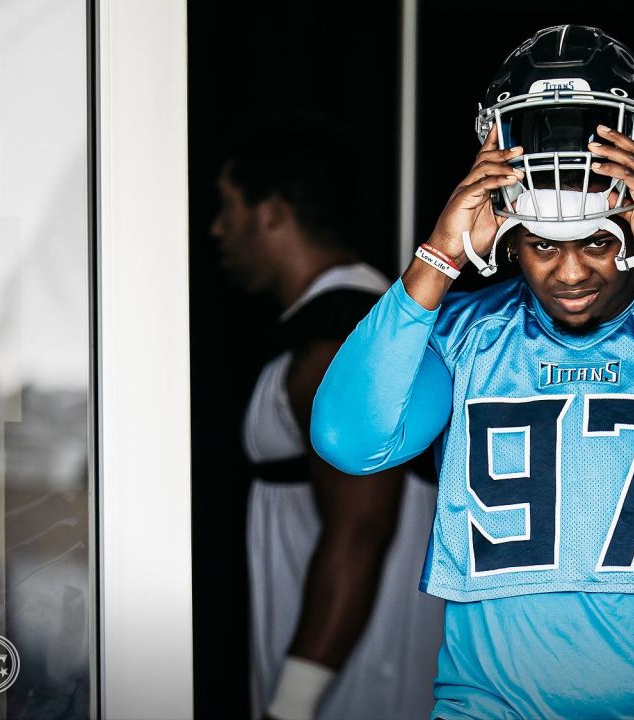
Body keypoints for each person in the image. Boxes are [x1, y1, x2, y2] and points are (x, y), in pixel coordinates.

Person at [312, 26, 634, 719]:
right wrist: (438, 257)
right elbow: (350, 437)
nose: (571, 272)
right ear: (510, 237)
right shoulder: (463, 334)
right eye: (544, 243)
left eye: (599, 243)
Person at [210, 117, 442, 720]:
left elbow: (360, 529)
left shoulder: (341, 344)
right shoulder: (348, 328)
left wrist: (291, 705)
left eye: (227, 207)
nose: (217, 229)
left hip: (357, 687)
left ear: (271, 213)